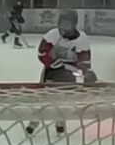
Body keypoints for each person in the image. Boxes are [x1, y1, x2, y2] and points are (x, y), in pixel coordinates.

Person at [26, 8, 95, 137]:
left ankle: (60, 124)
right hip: (51, 70)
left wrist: (86, 72)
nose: (64, 26)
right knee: (45, 98)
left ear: (74, 24)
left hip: (69, 74)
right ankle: (34, 122)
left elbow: (84, 59)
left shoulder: (82, 39)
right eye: (62, 23)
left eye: (67, 23)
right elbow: (42, 53)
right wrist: (55, 64)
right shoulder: (53, 35)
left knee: (63, 99)